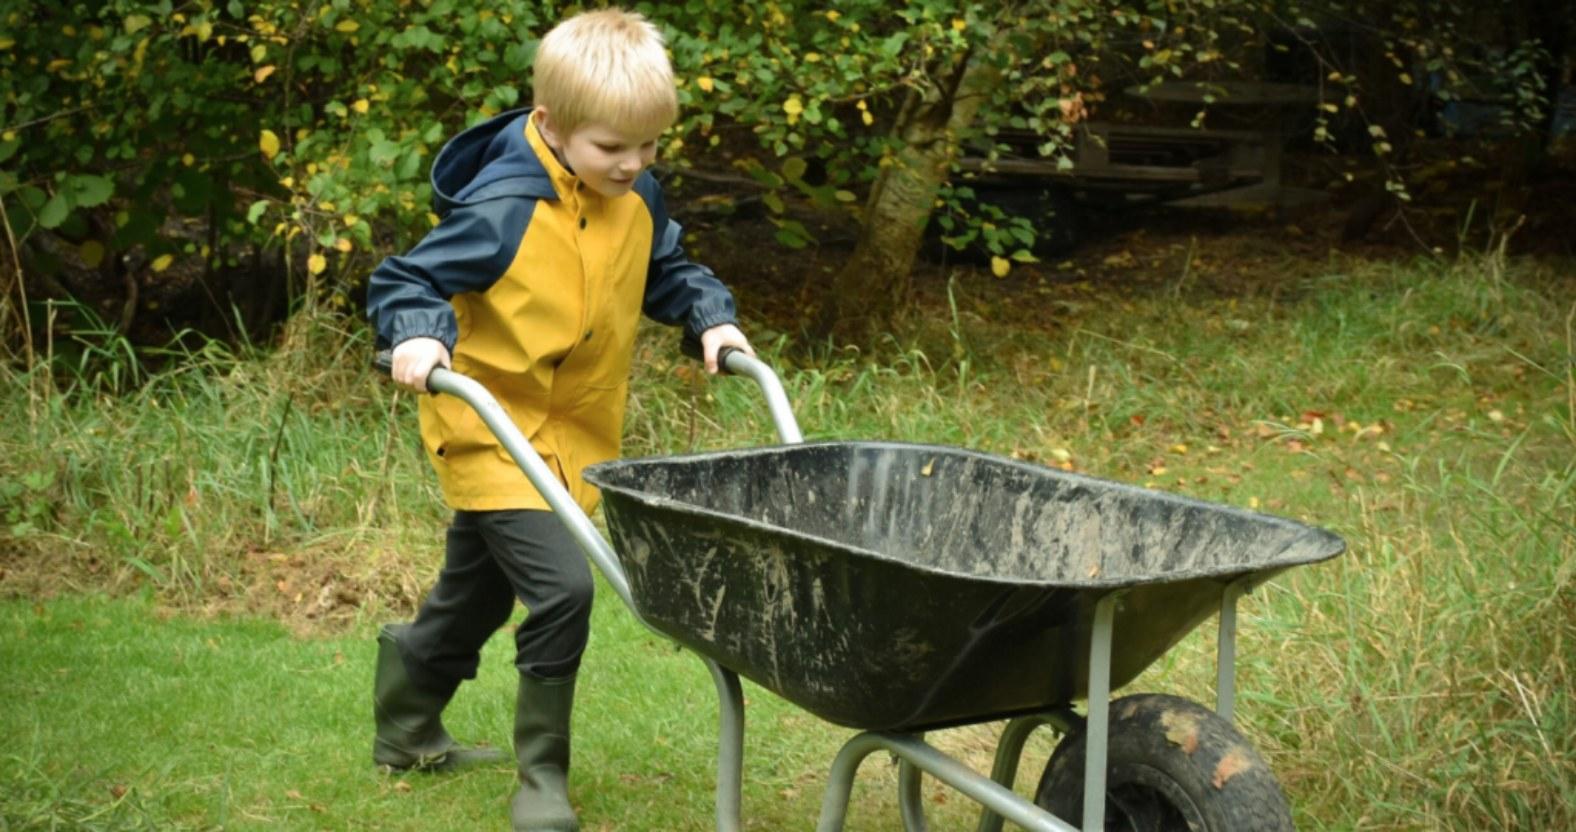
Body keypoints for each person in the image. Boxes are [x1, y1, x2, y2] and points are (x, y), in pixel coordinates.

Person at [363, 9, 752, 831]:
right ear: (551, 125)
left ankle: (404, 725)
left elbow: (666, 267)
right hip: (491, 429)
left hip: (577, 436)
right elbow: (405, 280)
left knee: (474, 593)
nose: (635, 164)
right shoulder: (506, 208)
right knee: (564, 589)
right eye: (614, 148)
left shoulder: (633, 193)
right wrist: (417, 334)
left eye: (649, 146)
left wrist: (708, 316)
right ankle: (542, 778)